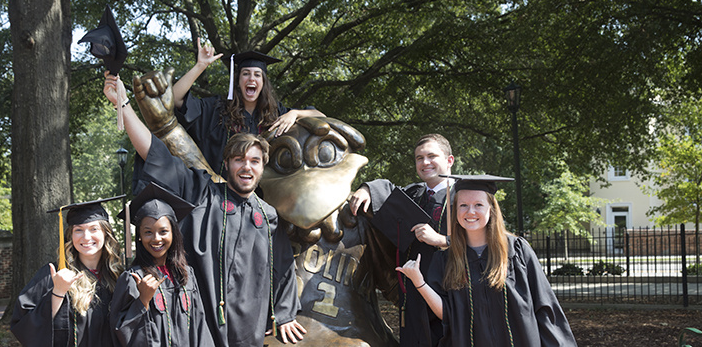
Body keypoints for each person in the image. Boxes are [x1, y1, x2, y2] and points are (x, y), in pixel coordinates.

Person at [106, 73, 304, 346]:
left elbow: (282, 269)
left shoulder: (268, 216)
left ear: (262, 167)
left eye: (254, 161)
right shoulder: (202, 193)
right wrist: (124, 105)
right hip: (201, 329)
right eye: (239, 159)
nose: (247, 167)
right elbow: (156, 155)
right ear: (226, 164)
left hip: (251, 332)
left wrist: (283, 315)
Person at [396, 175, 577, 347]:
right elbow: (447, 315)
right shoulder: (445, 260)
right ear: (456, 210)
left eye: (478, 205)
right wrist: (419, 282)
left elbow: (545, 306)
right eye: (463, 205)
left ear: (491, 209)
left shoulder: (517, 251)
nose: (470, 211)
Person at [133, 45, 325, 176]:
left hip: (264, 198)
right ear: (238, 81)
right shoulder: (217, 109)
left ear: (263, 82)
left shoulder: (276, 114)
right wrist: (200, 66)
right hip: (220, 195)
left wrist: (296, 114)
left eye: (257, 75)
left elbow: (320, 118)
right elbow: (174, 98)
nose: (251, 79)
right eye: (246, 74)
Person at [348, 133, 454, 346]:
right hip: (413, 296)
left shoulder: (465, 197)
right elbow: (386, 190)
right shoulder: (415, 194)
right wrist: (366, 189)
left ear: (449, 160)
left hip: (450, 294)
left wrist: (443, 239)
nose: (425, 162)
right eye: (419, 158)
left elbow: (485, 240)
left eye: (431, 156)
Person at [11, 196, 124, 346]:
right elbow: (23, 326)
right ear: (70, 235)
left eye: (94, 229)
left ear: (106, 233)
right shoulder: (53, 275)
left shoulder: (118, 276)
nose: (86, 236)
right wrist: (58, 292)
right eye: (79, 230)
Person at [111, 181, 212, 346]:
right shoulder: (132, 279)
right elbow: (120, 333)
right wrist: (142, 300)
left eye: (163, 231)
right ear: (139, 236)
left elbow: (201, 326)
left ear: (174, 233)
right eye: (148, 232)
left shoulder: (187, 275)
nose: (156, 239)